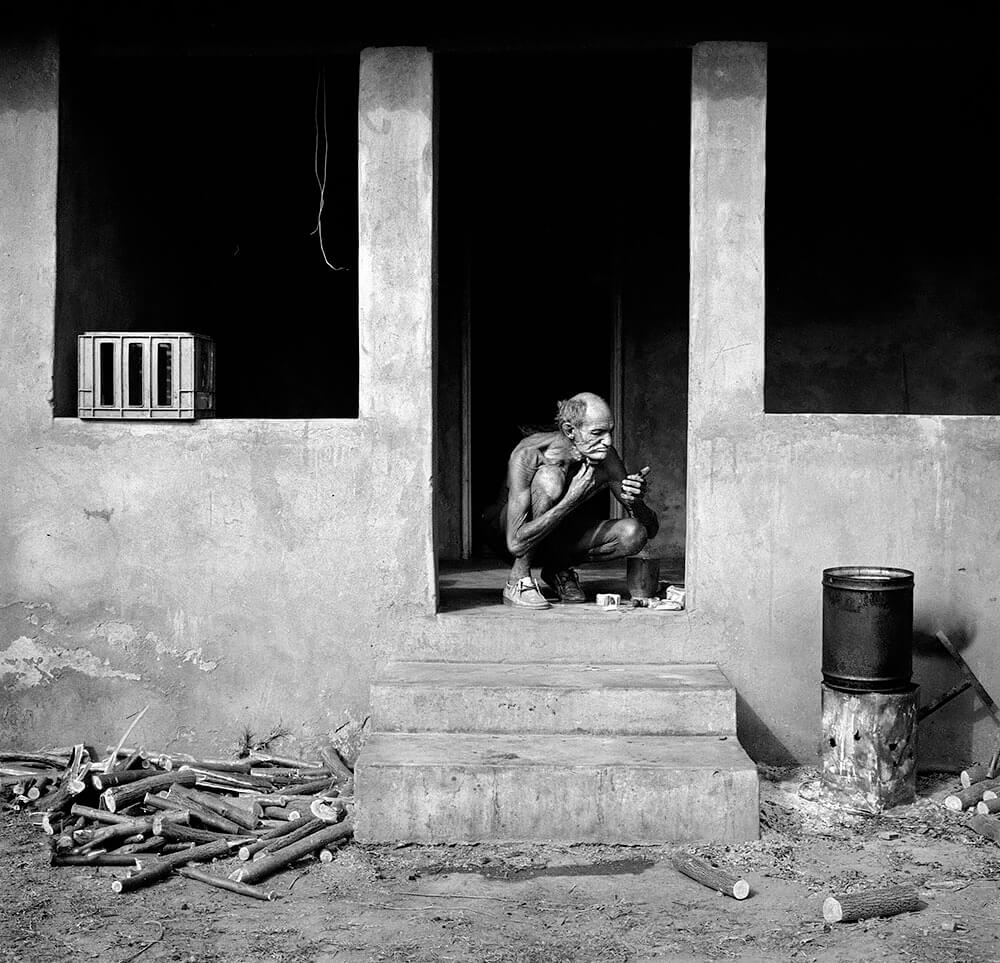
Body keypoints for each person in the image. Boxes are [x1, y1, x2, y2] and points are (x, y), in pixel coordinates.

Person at [482, 392, 659, 609]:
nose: (608, 442)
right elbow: (516, 543)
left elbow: (649, 530)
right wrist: (572, 498)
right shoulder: (531, 453)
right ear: (569, 430)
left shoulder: (605, 455)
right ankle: (518, 581)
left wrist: (636, 501)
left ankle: (557, 569)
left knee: (633, 533)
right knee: (550, 480)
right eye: (597, 433)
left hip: (553, 536)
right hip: (506, 538)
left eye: (609, 432)